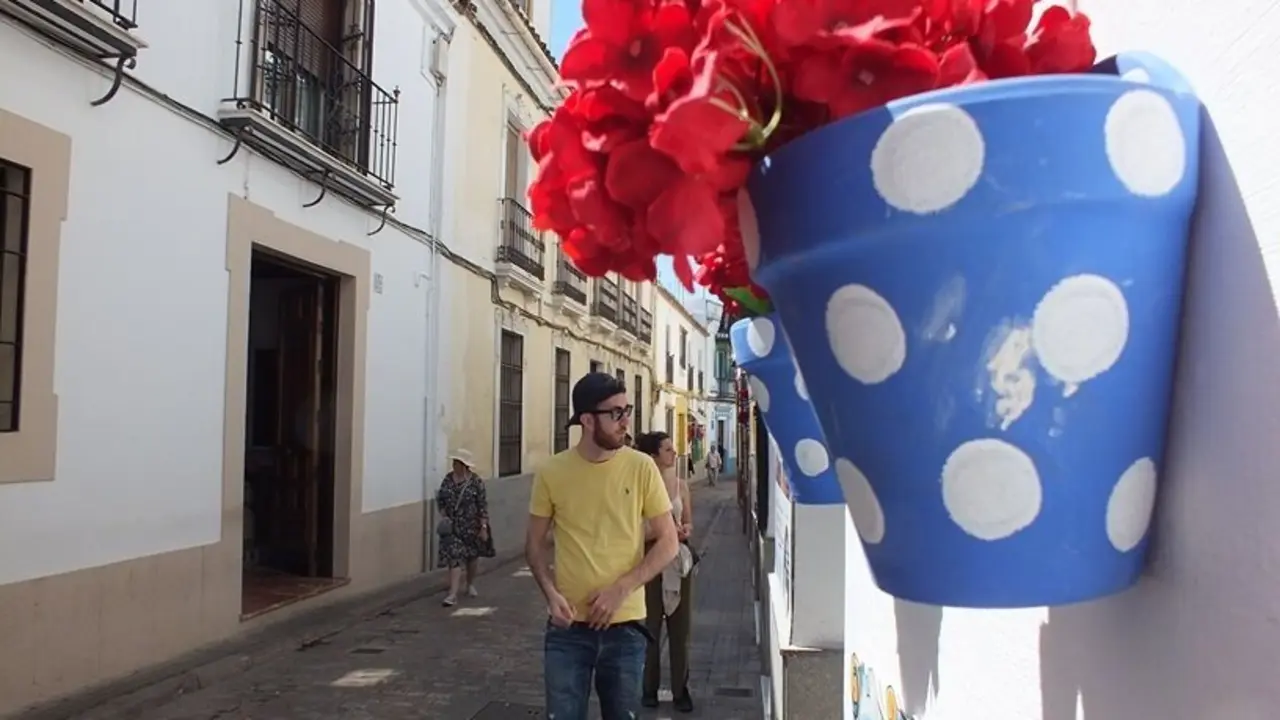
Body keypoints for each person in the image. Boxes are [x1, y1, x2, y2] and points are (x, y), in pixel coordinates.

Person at [525, 373, 680, 720]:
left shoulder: (641, 467)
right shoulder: (552, 471)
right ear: (587, 420)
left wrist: (621, 589)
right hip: (567, 633)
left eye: (627, 410)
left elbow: (669, 542)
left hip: (626, 630)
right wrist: (550, 594)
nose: (626, 421)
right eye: (616, 414)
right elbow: (533, 548)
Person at [636, 431, 697, 712]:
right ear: (654, 456)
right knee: (650, 627)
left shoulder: (682, 486)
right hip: (650, 563)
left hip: (677, 563)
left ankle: (680, 690)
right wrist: (662, 532)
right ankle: (648, 688)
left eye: (674, 449)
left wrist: (683, 531)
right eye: (668, 449)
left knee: (680, 629)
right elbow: (635, 531)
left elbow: (689, 522)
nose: (674, 453)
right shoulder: (641, 488)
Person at [436, 449, 495, 607]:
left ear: (465, 466)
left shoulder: (476, 482)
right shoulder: (448, 480)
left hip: (471, 526)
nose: (454, 465)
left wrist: (483, 527)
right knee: (454, 557)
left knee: (472, 558)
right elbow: (440, 499)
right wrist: (444, 514)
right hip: (453, 527)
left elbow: (482, 505)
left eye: (457, 463)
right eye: (454, 462)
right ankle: (452, 594)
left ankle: (469, 583)